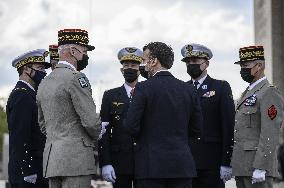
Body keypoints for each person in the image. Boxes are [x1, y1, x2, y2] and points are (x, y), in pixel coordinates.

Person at [124, 42, 203, 188]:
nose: (143, 64)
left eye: (144, 60)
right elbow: (197, 128)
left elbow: (130, 126)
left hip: (151, 167)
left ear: (153, 61)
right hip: (182, 166)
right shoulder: (188, 89)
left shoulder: (143, 88)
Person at [36, 29, 101, 188]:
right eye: (84, 51)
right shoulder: (76, 78)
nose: (85, 56)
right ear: (73, 51)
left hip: (52, 161)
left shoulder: (44, 82)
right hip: (76, 161)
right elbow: (91, 121)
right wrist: (98, 132)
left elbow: (43, 124)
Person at [181, 43, 235, 188]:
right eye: (188, 62)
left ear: (206, 64)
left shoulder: (220, 87)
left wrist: (226, 161)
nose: (190, 65)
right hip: (186, 161)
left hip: (212, 162)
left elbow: (228, 125)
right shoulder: (182, 89)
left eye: (195, 61)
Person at [231, 45, 284, 188]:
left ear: (259, 65)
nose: (242, 69)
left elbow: (270, 132)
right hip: (242, 166)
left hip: (257, 168)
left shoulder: (269, 92)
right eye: (241, 65)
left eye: (245, 65)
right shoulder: (248, 92)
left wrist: (261, 166)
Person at [99, 47, 143, 188]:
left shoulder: (149, 93)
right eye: (126, 65)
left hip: (145, 161)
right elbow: (103, 131)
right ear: (121, 69)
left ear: (140, 69)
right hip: (119, 162)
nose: (130, 68)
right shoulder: (110, 95)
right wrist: (105, 163)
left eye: (134, 65)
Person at [6, 49, 51, 188]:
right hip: (28, 173)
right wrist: (28, 169)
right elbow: (21, 136)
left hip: (36, 169)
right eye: (39, 68)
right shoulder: (22, 95)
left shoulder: (31, 94)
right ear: (26, 69)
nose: (43, 72)